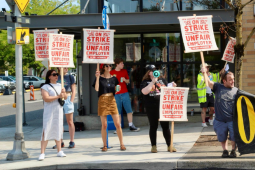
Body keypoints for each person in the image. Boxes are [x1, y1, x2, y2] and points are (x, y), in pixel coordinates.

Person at [201, 67, 238, 158]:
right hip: (220, 120)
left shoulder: (236, 91)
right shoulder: (218, 87)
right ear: (224, 81)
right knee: (222, 136)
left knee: (234, 136)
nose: (232, 81)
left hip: (233, 120)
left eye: (233, 79)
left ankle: (233, 150)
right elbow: (208, 83)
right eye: (230, 80)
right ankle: (225, 151)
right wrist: (204, 73)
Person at [140, 65, 177, 153]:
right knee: (153, 126)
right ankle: (154, 146)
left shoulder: (162, 80)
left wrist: (173, 86)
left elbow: (168, 90)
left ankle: (169, 145)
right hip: (151, 107)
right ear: (148, 73)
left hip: (163, 106)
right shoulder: (145, 82)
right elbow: (144, 92)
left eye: (155, 70)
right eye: (152, 70)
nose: (154, 71)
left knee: (165, 126)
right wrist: (152, 82)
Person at [92, 64, 126, 152]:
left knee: (118, 124)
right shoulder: (99, 77)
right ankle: (105, 145)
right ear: (103, 67)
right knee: (104, 124)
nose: (109, 67)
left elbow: (117, 88)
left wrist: (117, 89)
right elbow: (96, 89)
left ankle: (122, 144)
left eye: (110, 65)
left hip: (112, 99)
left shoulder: (114, 78)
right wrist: (97, 77)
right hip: (102, 99)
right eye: (106, 66)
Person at [38, 70, 67, 161]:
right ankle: (42, 152)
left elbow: (65, 97)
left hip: (58, 110)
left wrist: (64, 93)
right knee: (46, 130)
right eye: (54, 74)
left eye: (57, 74)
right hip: (49, 111)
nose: (56, 76)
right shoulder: (45, 87)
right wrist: (58, 96)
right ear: (49, 76)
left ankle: (59, 151)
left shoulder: (60, 85)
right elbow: (46, 98)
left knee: (58, 129)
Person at [110, 58, 140, 133]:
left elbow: (128, 81)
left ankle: (131, 125)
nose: (123, 65)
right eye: (121, 63)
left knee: (129, 109)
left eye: (123, 63)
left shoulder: (124, 71)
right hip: (116, 94)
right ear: (117, 64)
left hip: (125, 92)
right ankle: (118, 127)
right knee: (118, 111)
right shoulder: (111, 72)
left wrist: (125, 80)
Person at [51, 67, 76, 149]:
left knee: (70, 121)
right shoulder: (56, 76)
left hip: (67, 98)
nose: (66, 68)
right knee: (58, 121)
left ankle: (72, 141)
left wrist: (71, 101)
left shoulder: (70, 77)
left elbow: (74, 90)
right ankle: (60, 142)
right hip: (58, 99)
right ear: (59, 67)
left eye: (67, 66)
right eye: (64, 66)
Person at [197, 63, 223, 127]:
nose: (208, 68)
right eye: (206, 67)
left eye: (208, 67)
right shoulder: (200, 75)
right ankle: (203, 122)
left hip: (211, 94)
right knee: (204, 109)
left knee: (212, 108)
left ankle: (210, 119)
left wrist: (223, 69)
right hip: (204, 95)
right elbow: (201, 83)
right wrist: (204, 74)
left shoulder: (211, 74)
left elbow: (218, 75)